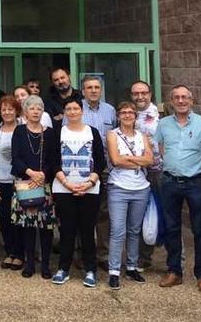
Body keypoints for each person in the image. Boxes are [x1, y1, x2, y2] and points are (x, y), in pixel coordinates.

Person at [154, 84, 201, 293]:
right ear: (171, 101)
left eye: (184, 97)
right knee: (172, 228)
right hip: (170, 182)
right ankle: (174, 271)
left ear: (191, 100)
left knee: (199, 229)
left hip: (195, 183)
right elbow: (161, 149)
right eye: (176, 97)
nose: (180, 101)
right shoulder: (163, 124)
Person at [50, 99, 106, 288]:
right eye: (69, 109)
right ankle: (63, 269)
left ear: (82, 111)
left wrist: (89, 182)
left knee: (87, 230)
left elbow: (100, 161)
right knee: (67, 229)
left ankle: (90, 270)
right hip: (64, 188)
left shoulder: (93, 132)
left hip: (89, 189)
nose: (72, 112)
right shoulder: (58, 132)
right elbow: (53, 161)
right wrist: (66, 183)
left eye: (76, 108)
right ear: (65, 112)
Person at [105, 101, 153, 290]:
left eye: (130, 112)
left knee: (134, 230)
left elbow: (150, 159)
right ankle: (114, 271)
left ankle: (132, 266)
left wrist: (130, 159)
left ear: (135, 115)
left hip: (141, 188)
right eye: (123, 112)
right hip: (118, 187)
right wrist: (139, 161)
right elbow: (115, 160)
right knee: (117, 231)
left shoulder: (143, 136)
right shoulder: (112, 135)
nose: (127, 115)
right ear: (118, 115)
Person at [11, 95, 58, 279]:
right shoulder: (19, 131)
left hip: (44, 184)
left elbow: (53, 159)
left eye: (39, 108)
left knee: (46, 228)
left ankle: (45, 265)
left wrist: (43, 175)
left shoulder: (50, 133)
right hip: (25, 183)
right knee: (28, 226)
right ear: (25, 111)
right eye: (32, 108)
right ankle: (29, 264)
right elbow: (15, 158)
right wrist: (31, 173)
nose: (36, 111)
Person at [80, 75, 116, 271]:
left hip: (105, 169)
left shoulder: (110, 110)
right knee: (82, 214)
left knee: (103, 213)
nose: (93, 90)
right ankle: (82, 253)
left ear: (101, 90)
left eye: (96, 87)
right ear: (83, 91)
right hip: (81, 170)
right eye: (89, 87)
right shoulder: (76, 110)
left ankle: (102, 254)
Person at [0, 95, 23, 270]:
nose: (7, 112)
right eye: (4, 109)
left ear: (16, 111)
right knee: (5, 219)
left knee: (20, 220)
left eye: (10, 109)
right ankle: (10, 253)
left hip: (19, 182)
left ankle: (20, 254)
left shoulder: (23, 130)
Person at [131, 80, 163, 269]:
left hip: (160, 171)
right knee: (140, 214)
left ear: (150, 94)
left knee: (166, 213)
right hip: (137, 171)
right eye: (136, 93)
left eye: (143, 92)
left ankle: (175, 262)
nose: (140, 96)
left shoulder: (162, 114)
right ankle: (143, 258)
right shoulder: (128, 114)